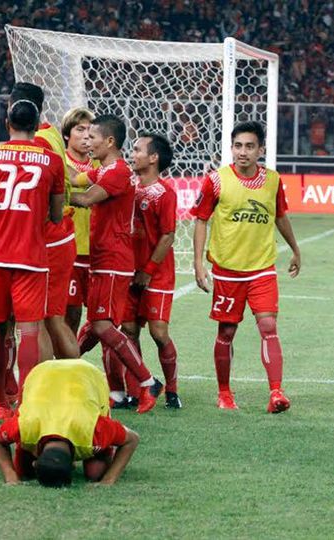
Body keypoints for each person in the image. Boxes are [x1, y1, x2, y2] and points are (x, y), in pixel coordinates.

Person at [192, 121, 300, 413]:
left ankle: (276, 393)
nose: (243, 152)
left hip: (262, 267)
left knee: (268, 325)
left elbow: (280, 216)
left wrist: (294, 249)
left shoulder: (274, 180)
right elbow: (201, 219)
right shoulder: (215, 180)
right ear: (231, 148)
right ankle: (224, 393)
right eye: (238, 146)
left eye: (250, 146)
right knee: (226, 332)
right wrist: (198, 263)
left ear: (260, 149)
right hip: (227, 269)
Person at [0, 98, 64, 420]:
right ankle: (24, 404)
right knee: (29, 331)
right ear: (37, 127)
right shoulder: (52, 161)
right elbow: (54, 215)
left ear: (7, 124)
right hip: (31, 256)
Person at [70, 115, 163, 414]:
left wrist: (47, 193)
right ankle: (65, 368)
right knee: (95, 326)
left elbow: (83, 199)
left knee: (101, 324)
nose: (87, 142)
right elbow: (74, 177)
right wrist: (50, 155)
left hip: (113, 259)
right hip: (103, 258)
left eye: (92, 138)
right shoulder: (105, 169)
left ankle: (148, 381)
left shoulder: (118, 172)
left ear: (109, 141)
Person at [0, 359, 140, 487]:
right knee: (24, 473)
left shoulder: (94, 429)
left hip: (88, 375)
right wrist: (10, 475)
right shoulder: (25, 426)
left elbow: (132, 439)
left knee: (96, 473)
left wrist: (108, 480)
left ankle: (104, 454)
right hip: (41, 373)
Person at [14, 83, 79, 360]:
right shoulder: (50, 132)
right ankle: (71, 384)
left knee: (36, 319)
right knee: (52, 317)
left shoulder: (37, 144)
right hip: (61, 233)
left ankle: (36, 387)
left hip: (48, 238)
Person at [122, 133, 181, 409]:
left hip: (156, 274)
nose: (132, 154)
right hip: (127, 272)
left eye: (137, 150)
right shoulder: (128, 187)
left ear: (154, 157)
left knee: (158, 333)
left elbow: (168, 235)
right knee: (128, 330)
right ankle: (138, 390)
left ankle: (172, 390)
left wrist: (147, 270)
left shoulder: (164, 192)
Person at [61, 107, 98, 335]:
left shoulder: (100, 164)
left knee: (101, 320)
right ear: (66, 134)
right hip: (68, 249)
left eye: (90, 131)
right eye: (80, 129)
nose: (86, 135)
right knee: (69, 314)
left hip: (97, 251)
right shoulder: (58, 160)